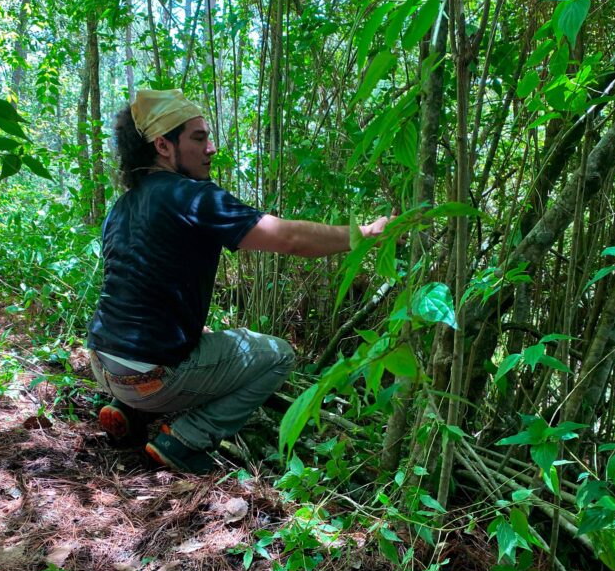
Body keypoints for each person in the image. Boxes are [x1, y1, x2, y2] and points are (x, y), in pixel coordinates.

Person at [87, 88, 390, 474]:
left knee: (178, 335)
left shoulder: (122, 207)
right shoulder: (193, 197)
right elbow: (289, 238)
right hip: (153, 377)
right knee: (278, 354)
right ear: (163, 145)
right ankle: (186, 439)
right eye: (198, 138)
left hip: (101, 363)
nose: (211, 148)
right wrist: (361, 234)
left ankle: (127, 410)